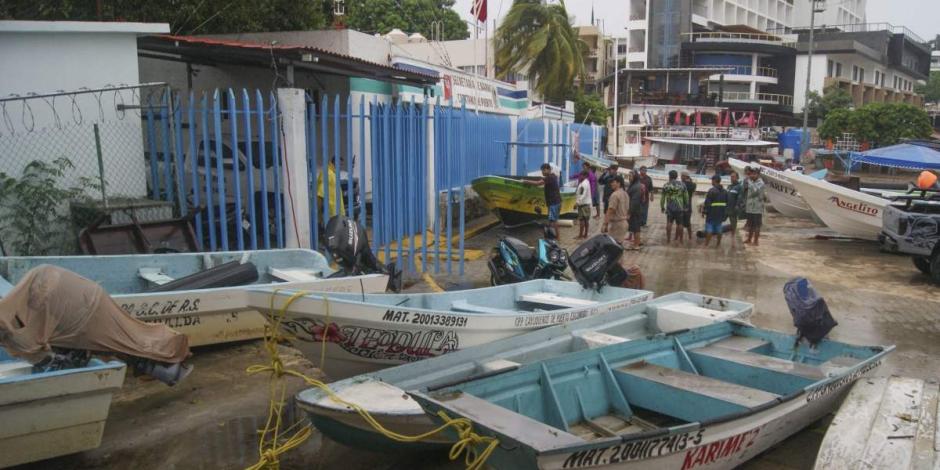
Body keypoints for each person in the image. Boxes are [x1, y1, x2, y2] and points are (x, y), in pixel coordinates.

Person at [525, 163, 563, 234]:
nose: (542, 172)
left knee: (553, 221)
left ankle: (555, 237)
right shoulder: (553, 176)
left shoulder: (550, 178)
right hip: (556, 202)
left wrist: (526, 181)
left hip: (553, 203)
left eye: (543, 170)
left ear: (548, 170)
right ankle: (554, 236)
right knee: (552, 220)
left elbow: (538, 183)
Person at [660, 170, 689, 244]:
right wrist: (686, 205)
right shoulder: (682, 185)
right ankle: (681, 240)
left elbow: (662, 197)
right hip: (679, 206)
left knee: (669, 222)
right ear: (676, 176)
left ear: (669, 176)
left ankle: (668, 240)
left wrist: (662, 207)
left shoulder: (666, 185)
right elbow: (686, 196)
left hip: (670, 206)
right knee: (680, 224)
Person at [702, 174, 729, 248]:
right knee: (719, 228)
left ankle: (706, 244)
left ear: (714, 181)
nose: (711, 181)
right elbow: (727, 203)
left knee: (709, 229)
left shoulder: (711, 191)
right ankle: (718, 244)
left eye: (712, 180)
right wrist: (725, 214)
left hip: (712, 213)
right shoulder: (725, 191)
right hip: (720, 213)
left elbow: (707, 203)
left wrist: (704, 211)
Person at [743, 166, 768, 246]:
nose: (752, 175)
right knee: (750, 225)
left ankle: (756, 241)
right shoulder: (751, 181)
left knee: (757, 225)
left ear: (758, 174)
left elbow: (754, 191)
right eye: (751, 174)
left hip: (757, 208)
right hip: (750, 207)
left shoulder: (760, 183)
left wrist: (749, 182)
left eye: (754, 174)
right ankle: (749, 239)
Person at [602, 175, 629, 243]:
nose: (611, 184)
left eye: (613, 182)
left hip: (616, 225)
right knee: (619, 246)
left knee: (613, 247)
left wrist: (605, 224)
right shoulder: (625, 194)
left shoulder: (615, 195)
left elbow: (611, 210)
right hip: (624, 223)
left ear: (618, 183)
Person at [625, 171, 646, 249]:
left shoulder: (636, 186)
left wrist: (629, 212)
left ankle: (636, 245)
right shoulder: (634, 185)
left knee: (636, 227)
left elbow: (634, 201)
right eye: (628, 176)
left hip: (635, 210)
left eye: (630, 176)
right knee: (635, 227)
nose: (629, 178)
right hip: (636, 209)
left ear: (635, 177)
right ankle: (637, 242)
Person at [725, 171, 743, 246]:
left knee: (733, 223)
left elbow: (740, 197)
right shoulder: (729, 186)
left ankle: (733, 236)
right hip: (726, 207)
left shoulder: (739, 187)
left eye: (733, 177)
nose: (731, 178)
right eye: (731, 177)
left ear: (737, 178)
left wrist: (737, 205)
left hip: (733, 208)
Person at [680, 171, 697, 242]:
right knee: (688, 223)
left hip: (680, 205)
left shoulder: (681, 184)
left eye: (681, 176)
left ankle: (679, 238)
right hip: (688, 206)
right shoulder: (693, 184)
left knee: (680, 222)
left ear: (684, 176)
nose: (680, 177)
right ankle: (690, 237)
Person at [575, 171, 592, 239]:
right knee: (586, 220)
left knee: (582, 220)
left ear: (584, 176)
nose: (579, 177)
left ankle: (580, 235)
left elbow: (582, 195)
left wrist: (577, 203)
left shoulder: (583, 184)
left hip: (583, 204)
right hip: (586, 204)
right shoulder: (586, 182)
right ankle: (585, 234)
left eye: (580, 175)